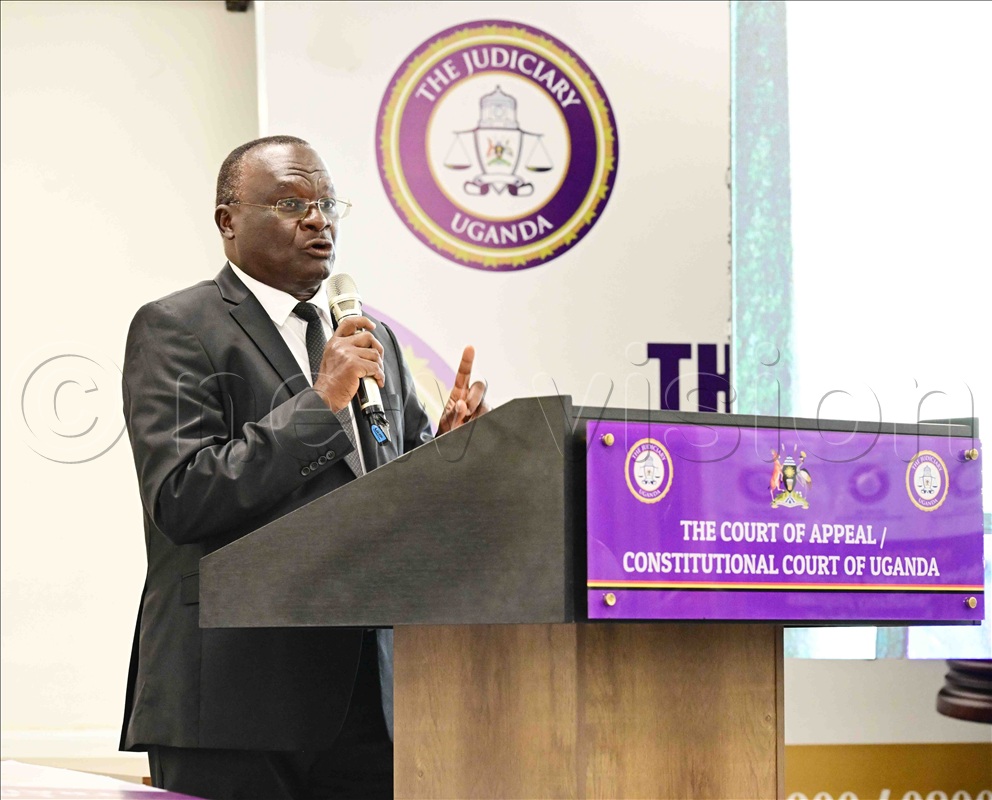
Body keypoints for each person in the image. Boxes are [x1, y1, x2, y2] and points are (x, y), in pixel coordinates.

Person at [119, 134, 488, 799]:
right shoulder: (178, 327)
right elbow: (184, 496)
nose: (318, 219)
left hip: (368, 703)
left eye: (326, 202)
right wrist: (320, 404)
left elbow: (388, 505)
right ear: (228, 221)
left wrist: (446, 459)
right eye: (291, 202)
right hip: (232, 701)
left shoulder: (372, 340)